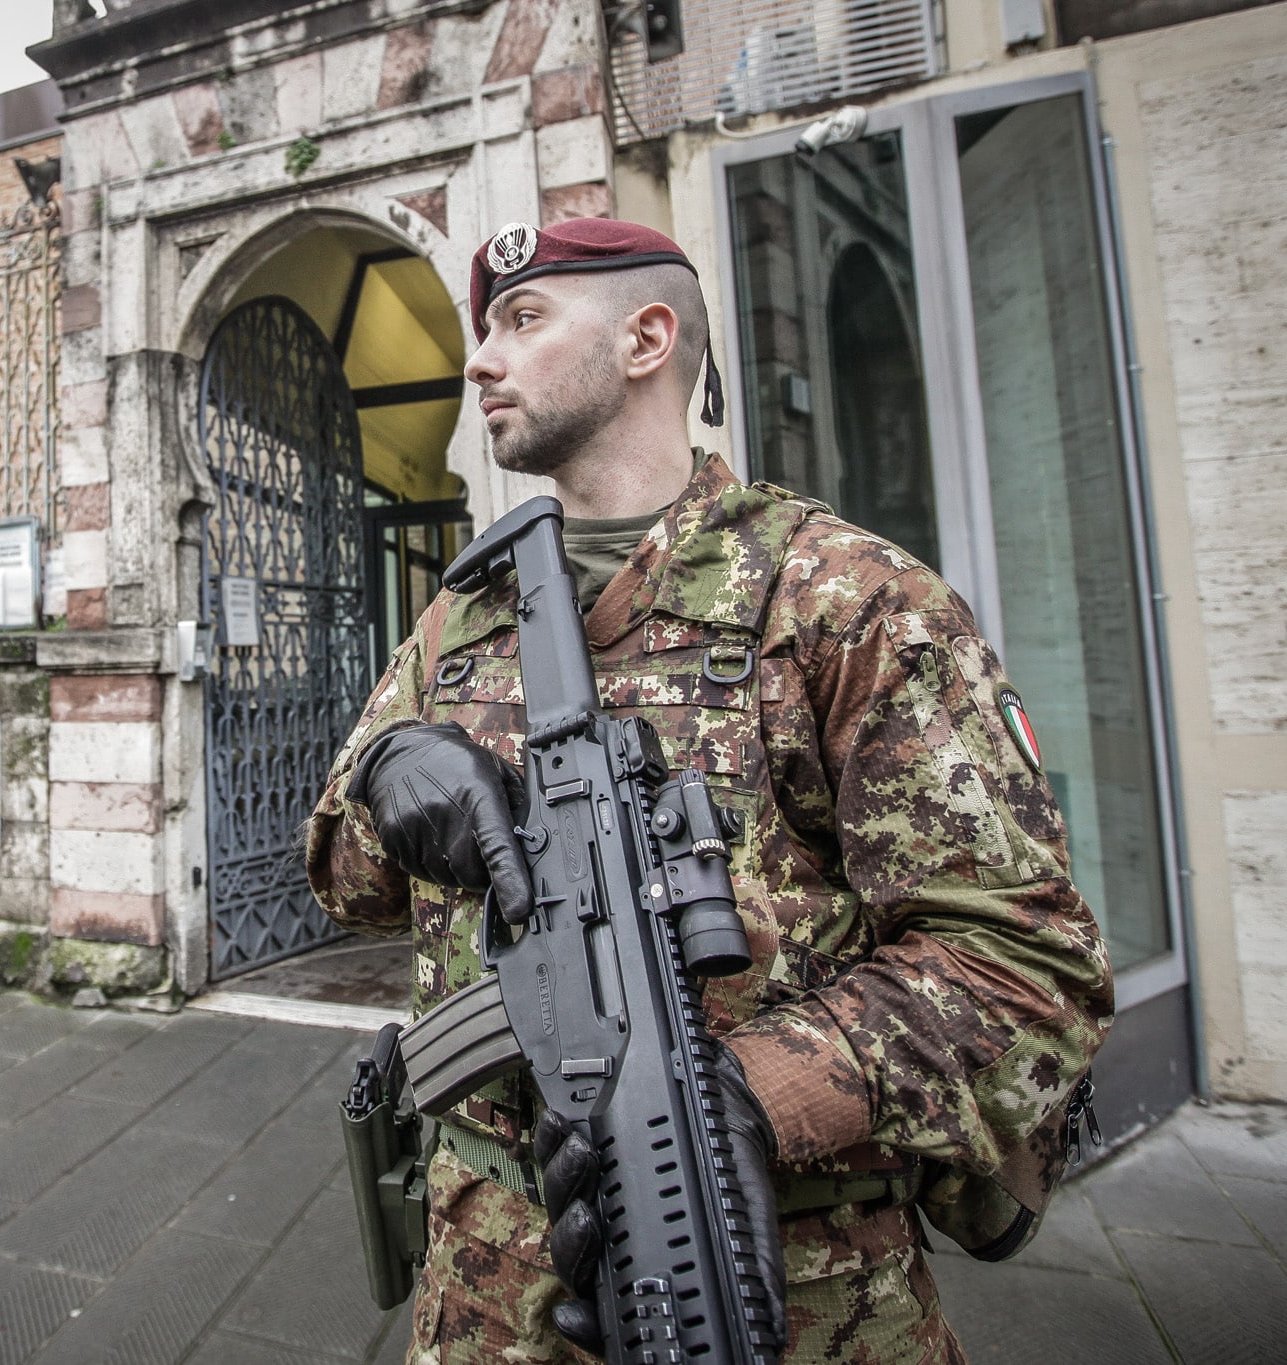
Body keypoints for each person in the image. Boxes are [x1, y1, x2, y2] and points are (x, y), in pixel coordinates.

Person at [305, 217, 1112, 1364]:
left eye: (520, 321)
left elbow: (1026, 968)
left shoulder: (840, 600)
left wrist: (761, 1095)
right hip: (482, 1292)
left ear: (645, 338)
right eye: (483, 330)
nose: (478, 357)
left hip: (780, 1287)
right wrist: (388, 774)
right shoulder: (458, 619)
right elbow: (343, 880)